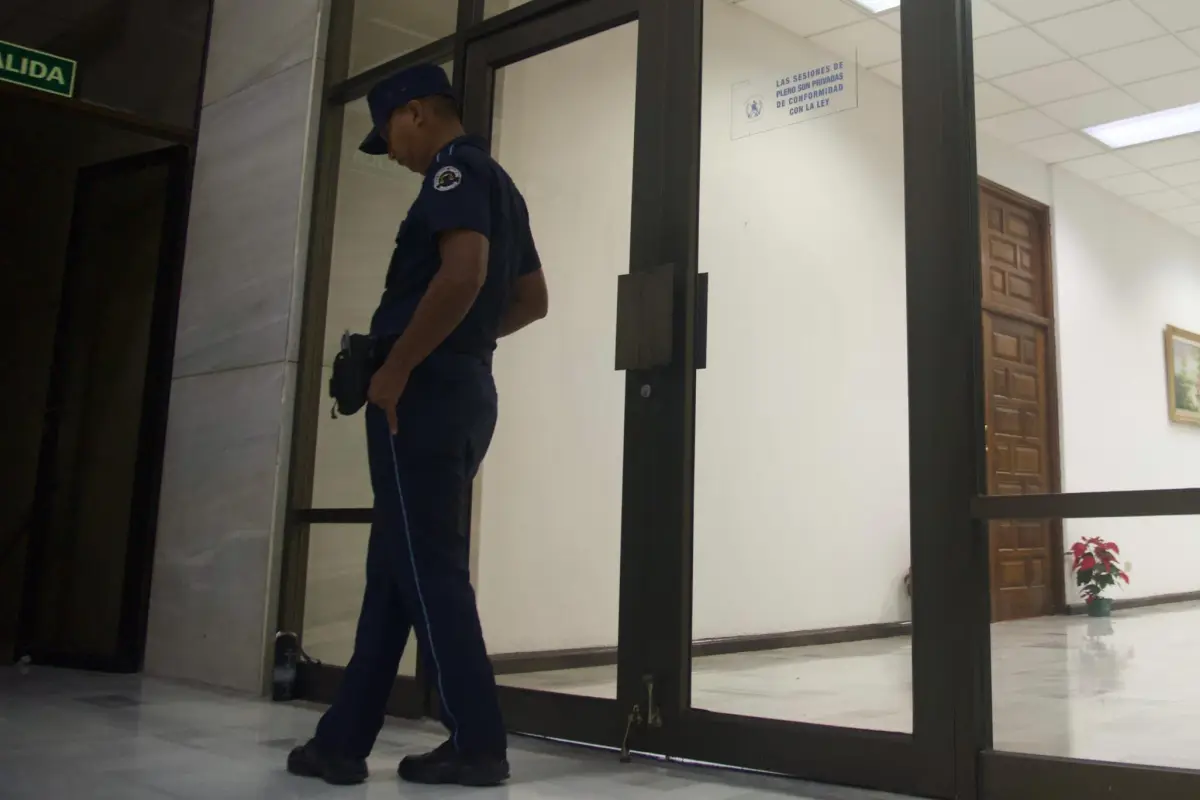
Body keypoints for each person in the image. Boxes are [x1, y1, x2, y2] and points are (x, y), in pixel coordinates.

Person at [287, 63, 548, 788]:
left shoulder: (453, 175)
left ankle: (477, 742)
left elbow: (462, 274)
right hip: (461, 388)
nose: (394, 152)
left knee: (426, 568)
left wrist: (401, 364)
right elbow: (532, 299)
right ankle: (342, 741)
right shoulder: (503, 185)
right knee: (395, 569)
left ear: (415, 113)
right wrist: (464, 346)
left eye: (388, 135)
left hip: (421, 396)